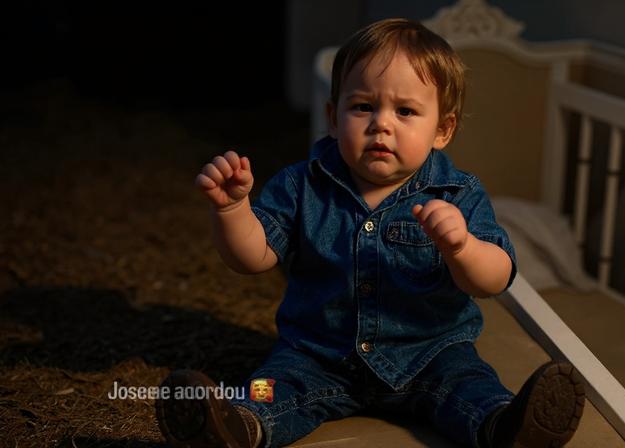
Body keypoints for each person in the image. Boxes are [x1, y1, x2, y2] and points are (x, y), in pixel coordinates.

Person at [156, 18, 584, 448]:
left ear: (442, 130)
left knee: (469, 385)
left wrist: (463, 247)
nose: (382, 124)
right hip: (319, 354)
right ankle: (237, 424)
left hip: (430, 355)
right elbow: (252, 258)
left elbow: (493, 278)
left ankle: (506, 427)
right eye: (362, 107)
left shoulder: (458, 193)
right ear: (333, 116)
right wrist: (232, 210)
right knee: (272, 385)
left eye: (405, 111)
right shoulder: (301, 185)